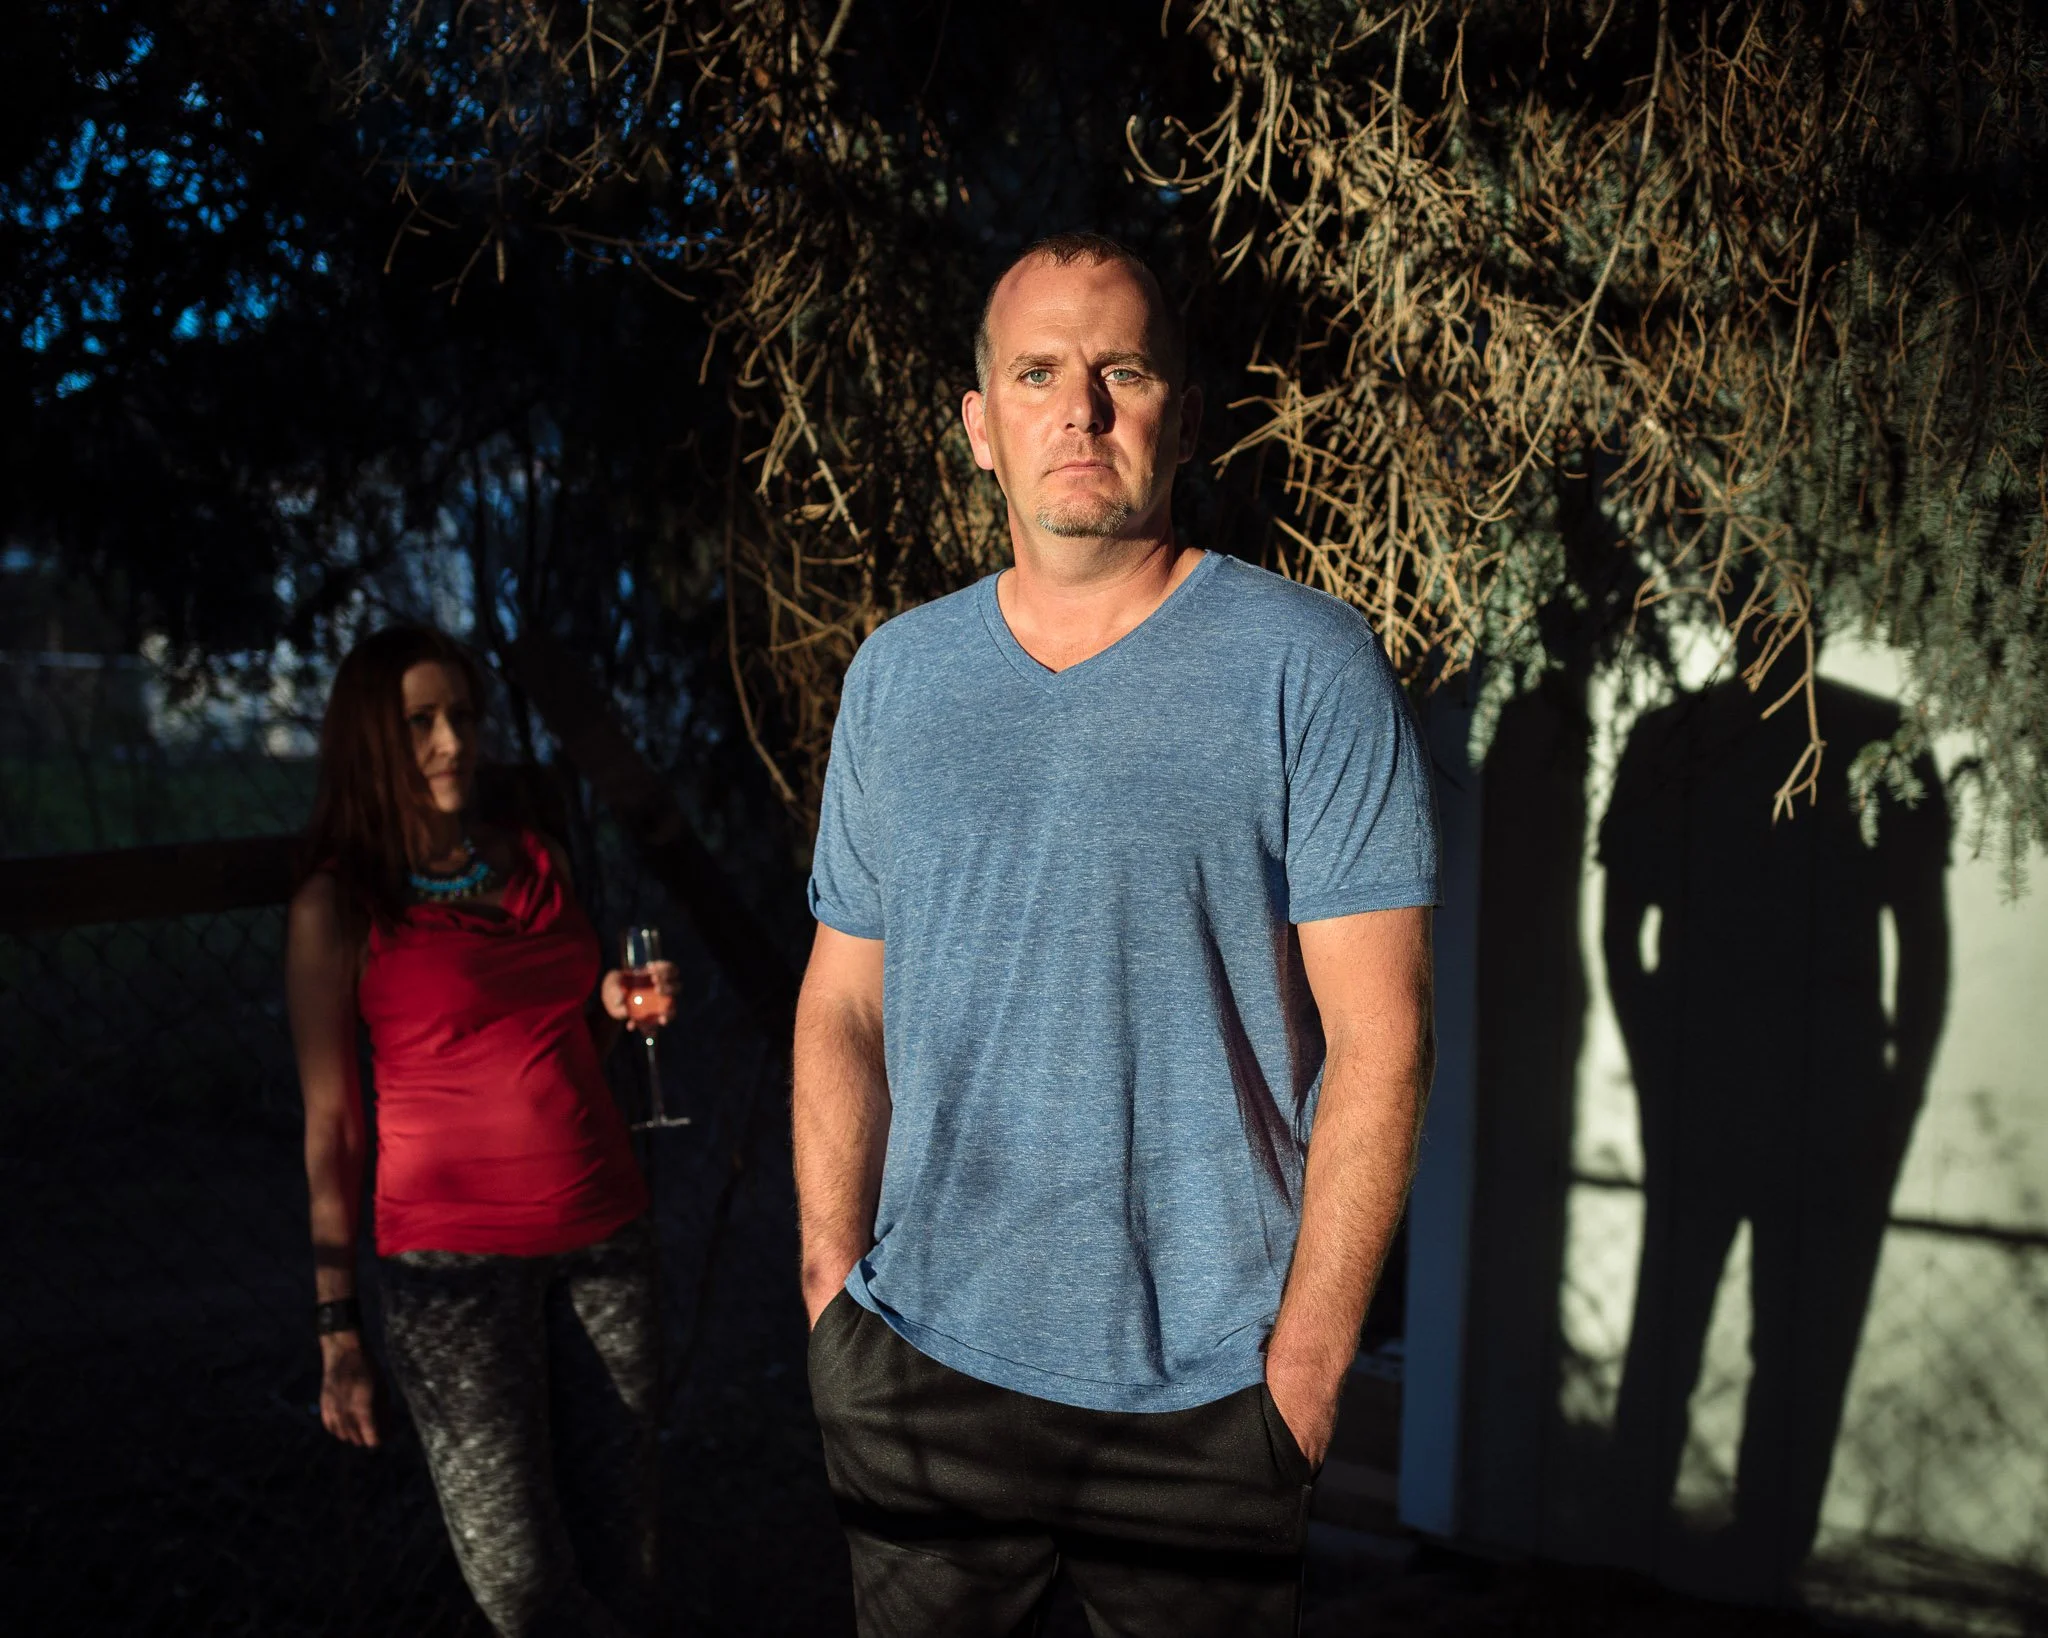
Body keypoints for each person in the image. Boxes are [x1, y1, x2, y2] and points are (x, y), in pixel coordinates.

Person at [794, 233, 1441, 1637]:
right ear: (980, 425)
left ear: (1184, 417)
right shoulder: (898, 677)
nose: (1078, 410)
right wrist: (829, 1285)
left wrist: (1303, 1373)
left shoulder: (1307, 665)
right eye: (1036, 374)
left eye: (1121, 372)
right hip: (919, 1368)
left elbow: (1383, 1043)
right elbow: (843, 1000)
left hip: (1206, 1397)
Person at [285, 624, 670, 1638]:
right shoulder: (339, 905)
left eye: (461, 715)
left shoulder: (534, 859)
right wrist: (337, 1326)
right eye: (420, 722)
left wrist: (611, 1004)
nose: (453, 741)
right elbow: (331, 1126)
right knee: (521, 1586)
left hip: (604, 1233)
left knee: (626, 1555)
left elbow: (562, 1036)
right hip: (452, 1267)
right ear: (371, 740)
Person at [1601, 652, 1949, 1594]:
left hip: (1753, 1089)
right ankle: (1734, 1554)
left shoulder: (1678, 738)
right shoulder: (1870, 735)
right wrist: (1899, 1096)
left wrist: (1657, 1071)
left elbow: (1624, 935)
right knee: (1782, 1337)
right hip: (1813, 1092)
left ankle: (1667, 1547)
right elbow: (1923, 944)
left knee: (1693, 1322)